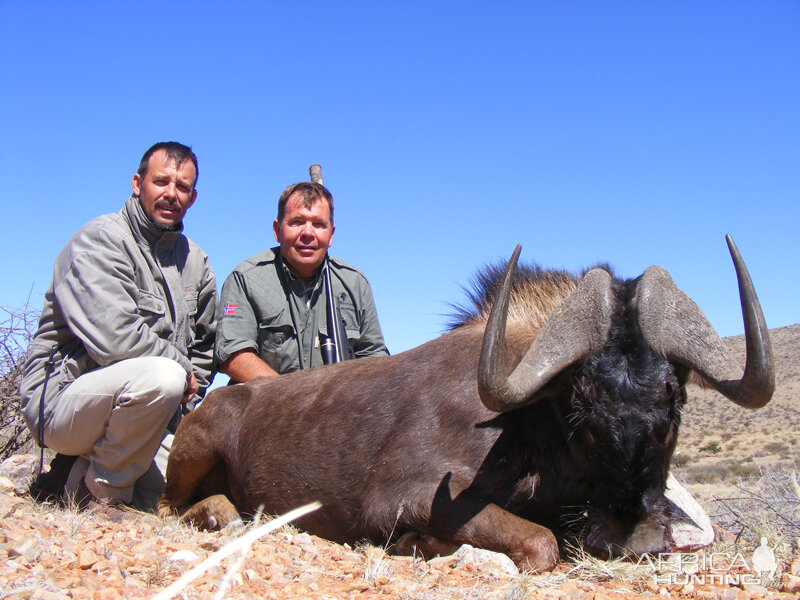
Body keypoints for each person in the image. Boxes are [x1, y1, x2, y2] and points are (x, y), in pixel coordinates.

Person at [20, 142, 217, 510]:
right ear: (137, 183)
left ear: (192, 197)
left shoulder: (196, 261)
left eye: (182, 187)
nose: (171, 194)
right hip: (64, 404)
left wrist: (188, 395)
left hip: (150, 414)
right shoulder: (100, 239)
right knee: (164, 376)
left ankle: (77, 475)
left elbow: (206, 346)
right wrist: (183, 371)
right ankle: (100, 495)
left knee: (196, 481)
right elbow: (115, 340)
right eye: (161, 182)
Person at [215, 181, 387, 382]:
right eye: (297, 222)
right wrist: (297, 403)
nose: (308, 233)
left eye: (318, 224)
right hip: (268, 408)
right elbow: (234, 356)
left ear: (331, 235)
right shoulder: (246, 278)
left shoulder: (355, 284)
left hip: (338, 410)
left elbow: (375, 360)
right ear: (277, 230)